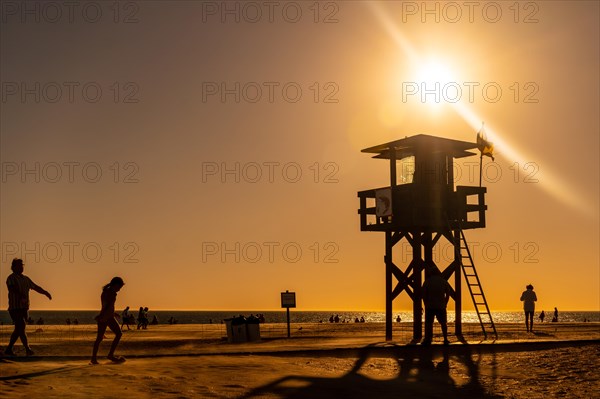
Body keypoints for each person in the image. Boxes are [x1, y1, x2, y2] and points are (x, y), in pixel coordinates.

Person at [4, 258, 52, 356]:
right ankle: (28, 349)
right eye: (19, 265)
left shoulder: (26, 279)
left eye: (22, 265)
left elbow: (35, 287)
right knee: (21, 326)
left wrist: (45, 292)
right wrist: (20, 295)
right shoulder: (11, 278)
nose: (21, 267)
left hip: (24, 308)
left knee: (19, 329)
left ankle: (9, 349)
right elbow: (11, 288)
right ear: (13, 267)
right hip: (15, 308)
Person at [91, 277, 126, 364]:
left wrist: (113, 313)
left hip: (109, 316)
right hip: (105, 318)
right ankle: (95, 358)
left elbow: (109, 306)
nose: (119, 289)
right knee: (99, 338)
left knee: (118, 334)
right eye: (119, 287)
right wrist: (101, 316)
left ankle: (108, 355)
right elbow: (106, 306)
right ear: (115, 285)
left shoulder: (109, 292)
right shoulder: (109, 293)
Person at [422, 268, 451, 346]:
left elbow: (424, 294)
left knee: (429, 323)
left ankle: (428, 339)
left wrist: (425, 304)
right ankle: (445, 339)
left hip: (430, 306)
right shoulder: (443, 281)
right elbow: (448, 294)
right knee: (443, 323)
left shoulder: (427, 281)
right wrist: (445, 303)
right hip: (441, 306)